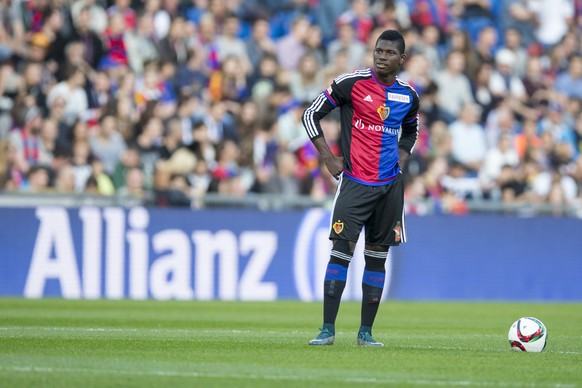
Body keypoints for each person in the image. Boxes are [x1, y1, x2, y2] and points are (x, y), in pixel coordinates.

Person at [302, 29, 419, 346]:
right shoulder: (350, 83)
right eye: (378, 50)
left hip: (389, 188)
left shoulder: (408, 95)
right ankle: (327, 329)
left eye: (389, 52)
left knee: (377, 257)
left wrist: (402, 161)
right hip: (354, 184)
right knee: (341, 253)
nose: (382, 56)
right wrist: (328, 158)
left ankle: (366, 333)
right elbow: (310, 114)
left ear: (401, 59)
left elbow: (411, 130)